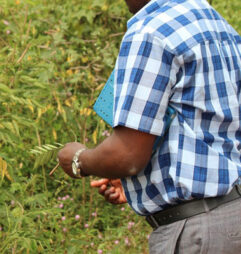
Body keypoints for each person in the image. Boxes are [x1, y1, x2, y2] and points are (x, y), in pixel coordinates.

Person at [58, 0, 241, 253]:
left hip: (198, 233)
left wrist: (78, 159)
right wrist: (146, 182)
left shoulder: (150, 32)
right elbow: (207, 130)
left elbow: (128, 156)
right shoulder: (220, 28)